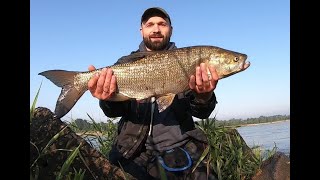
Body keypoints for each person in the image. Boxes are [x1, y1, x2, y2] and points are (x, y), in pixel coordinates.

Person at [88, 7, 219, 180]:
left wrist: (204, 96)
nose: (156, 29)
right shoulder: (125, 63)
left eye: (162, 24)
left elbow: (202, 113)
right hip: (133, 148)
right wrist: (108, 99)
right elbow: (112, 112)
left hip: (180, 146)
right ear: (142, 30)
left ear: (171, 29)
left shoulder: (188, 60)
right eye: (150, 24)